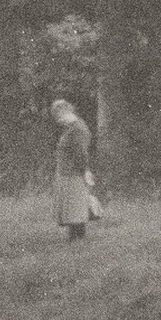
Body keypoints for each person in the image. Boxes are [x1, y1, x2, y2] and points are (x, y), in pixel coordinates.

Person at [50, 99, 93, 242]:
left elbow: (81, 153)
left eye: (60, 117)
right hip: (67, 173)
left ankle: (77, 239)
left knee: (76, 208)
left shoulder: (78, 129)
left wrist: (85, 171)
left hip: (74, 173)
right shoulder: (70, 128)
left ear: (68, 112)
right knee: (71, 207)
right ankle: (74, 238)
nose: (59, 121)